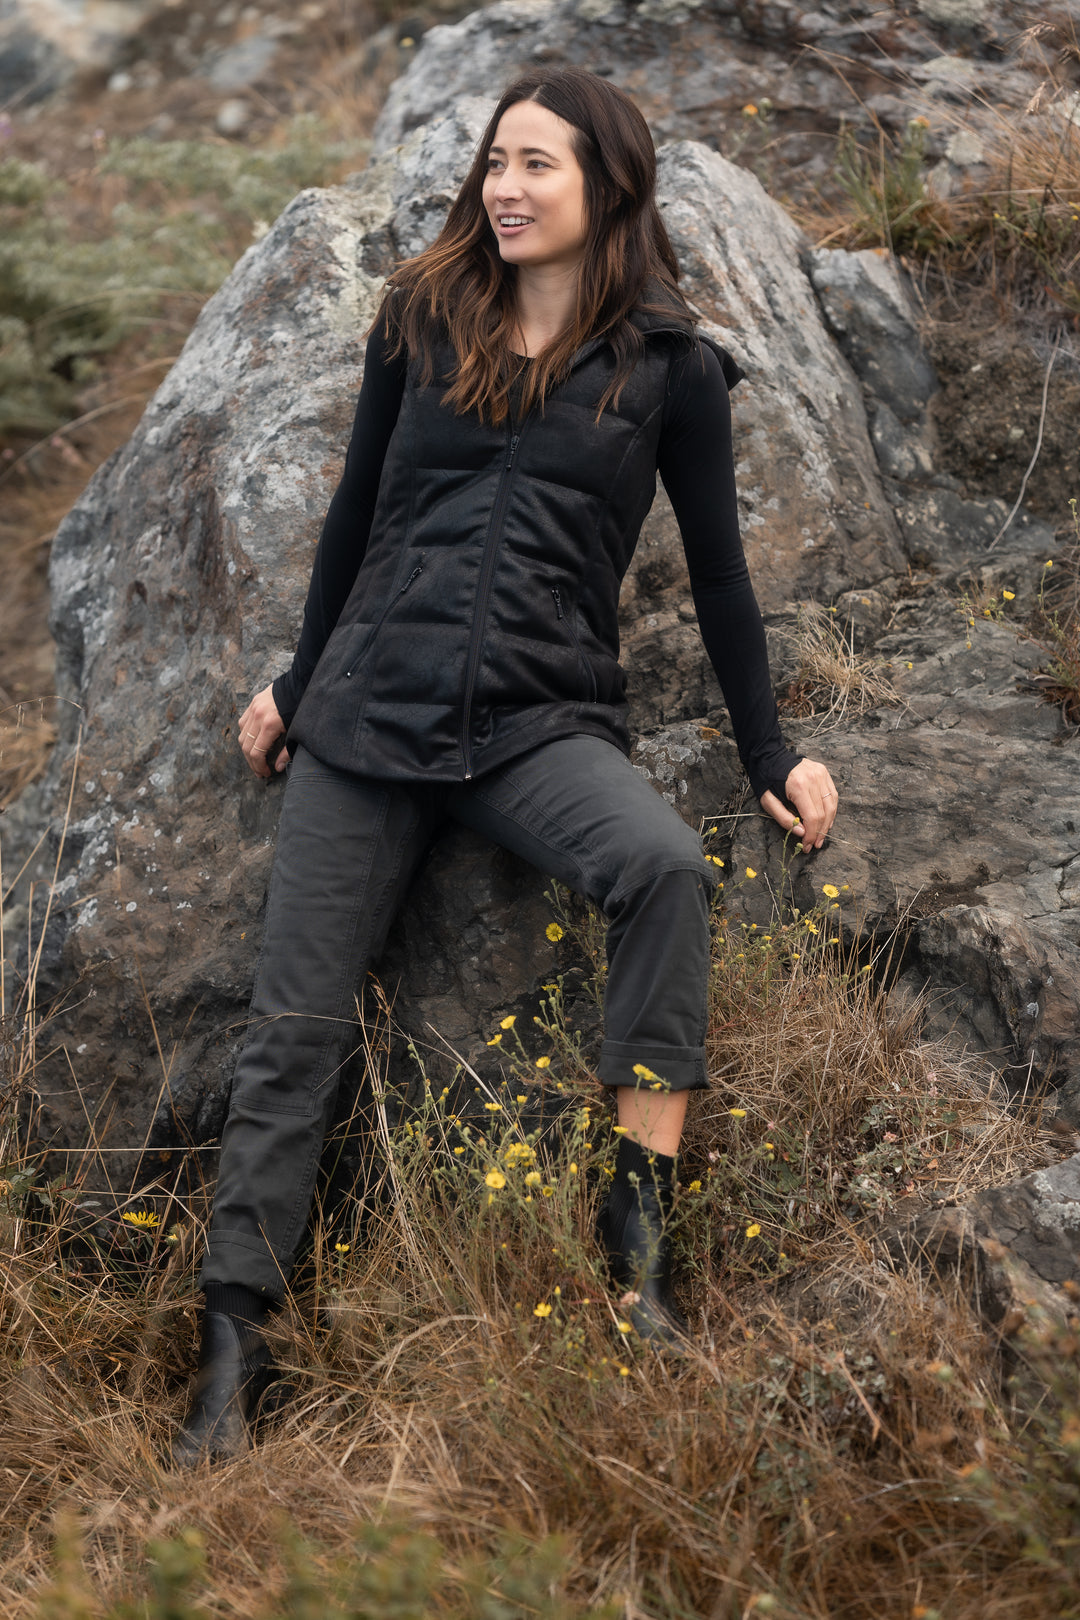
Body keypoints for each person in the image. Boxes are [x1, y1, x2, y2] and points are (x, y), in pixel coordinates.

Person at [172, 66, 838, 1465]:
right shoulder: (422, 317)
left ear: (609, 184)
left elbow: (722, 580)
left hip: (538, 721)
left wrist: (770, 751)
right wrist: (297, 681)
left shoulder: (673, 370)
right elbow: (355, 513)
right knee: (294, 1028)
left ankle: (634, 1248)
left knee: (662, 868)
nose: (506, 188)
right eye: (495, 162)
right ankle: (234, 1348)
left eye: (538, 164)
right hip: (367, 718)